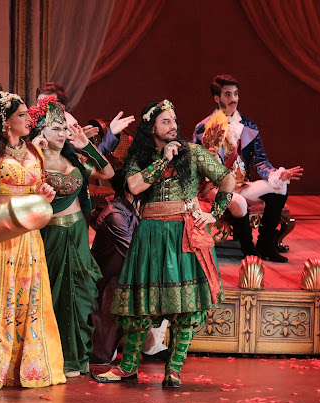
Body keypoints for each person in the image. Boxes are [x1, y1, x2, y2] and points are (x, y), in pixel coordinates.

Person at [93, 100, 235, 387]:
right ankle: (128, 366)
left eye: (174, 120)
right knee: (139, 305)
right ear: (151, 127)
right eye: (165, 121)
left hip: (184, 235)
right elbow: (134, 186)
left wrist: (215, 213)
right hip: (150, 235)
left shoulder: (192, 152)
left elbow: (227, 178)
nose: (173, 126)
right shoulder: (140, 157)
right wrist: (163, 160)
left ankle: (174, 369)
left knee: (186, 307)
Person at [0, 91, 66, 388]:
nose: (28, 119)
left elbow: (38, 194)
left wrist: (45, 196)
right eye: (22, 115)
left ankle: (28, 369)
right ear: (6, 122)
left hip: (28, 239)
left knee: (27, 302)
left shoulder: (34, 152)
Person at [28, 96, 113, 377]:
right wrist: (33, 150)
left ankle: (75, 358)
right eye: (56, 128)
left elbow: (108, 172)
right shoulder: (32, 160)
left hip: (77, 232)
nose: (63, 133)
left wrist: (86, 145)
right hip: (50, 233)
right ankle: (52, 357)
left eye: (65, 128)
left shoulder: (73, 158)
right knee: (52, 294)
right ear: (40, 130)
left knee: (79, 296)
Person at [193, 75, 303, 262]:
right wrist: (208, 159)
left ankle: (266, 244)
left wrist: (277, 174)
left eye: (236, 94)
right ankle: (248, 249)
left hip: (241, 184)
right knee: (239, 202)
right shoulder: (203, 128)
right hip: (215, 187)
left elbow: (260, 161)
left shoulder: (249, 126)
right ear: (217, 98)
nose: (233, 99)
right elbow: (194, 167)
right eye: (228, 95)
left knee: (280, 186)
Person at [89, 175, 167, 366]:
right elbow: (133, 255)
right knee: (102, 357)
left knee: (169, 284)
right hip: (108, 287)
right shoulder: (115, 215)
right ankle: (141, 344)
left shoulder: (132, 209)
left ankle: (150, 345)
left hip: (125, 277)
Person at [35, 81, 135, 156]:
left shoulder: (70, 127)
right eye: (39, 102)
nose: (42, 107)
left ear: (61, 108)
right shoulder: (30, 125)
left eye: (48, 104)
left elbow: (97, 159)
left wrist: (111, 134)